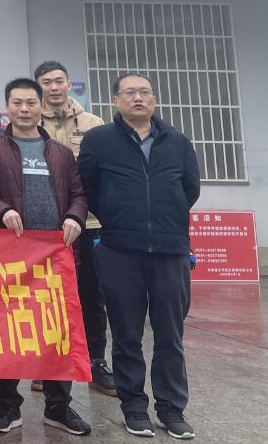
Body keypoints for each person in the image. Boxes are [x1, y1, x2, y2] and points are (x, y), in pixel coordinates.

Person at [78, 74, 200, 440]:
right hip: (119, 250)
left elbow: (190, 188)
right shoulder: (99, 140)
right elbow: (89, 188)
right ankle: (133, 408)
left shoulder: (177, 141)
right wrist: (119, 217)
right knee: (127, 334)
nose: (138, 98)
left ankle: (171, 409)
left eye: (144, 92)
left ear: (154, 99)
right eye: (129, 92)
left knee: (170, 335)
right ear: (115, 100)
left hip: (170, 250)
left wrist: (164, 219)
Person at [0, 78, 92, 436]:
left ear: (42, 106)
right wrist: (2, 210)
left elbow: (79, 193)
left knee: (56, 332)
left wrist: (75, 217)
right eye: (17, 103)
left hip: (54, 257)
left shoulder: (60, 152)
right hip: (9, 257)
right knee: (9, 330)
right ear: (7, 107)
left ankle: (59, 406)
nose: (24, 109)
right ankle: (8, 406)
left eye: (30, 103)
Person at [34, 60, 114, 398]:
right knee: (46, 295)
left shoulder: (94, 125)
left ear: (69, 84)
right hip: (44, 227)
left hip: (89, 224)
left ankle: (96, 362)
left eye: (59, 81)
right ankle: (47, 365)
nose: (54, 87)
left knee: (92, 296)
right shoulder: (29, 123)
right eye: (46, 82)